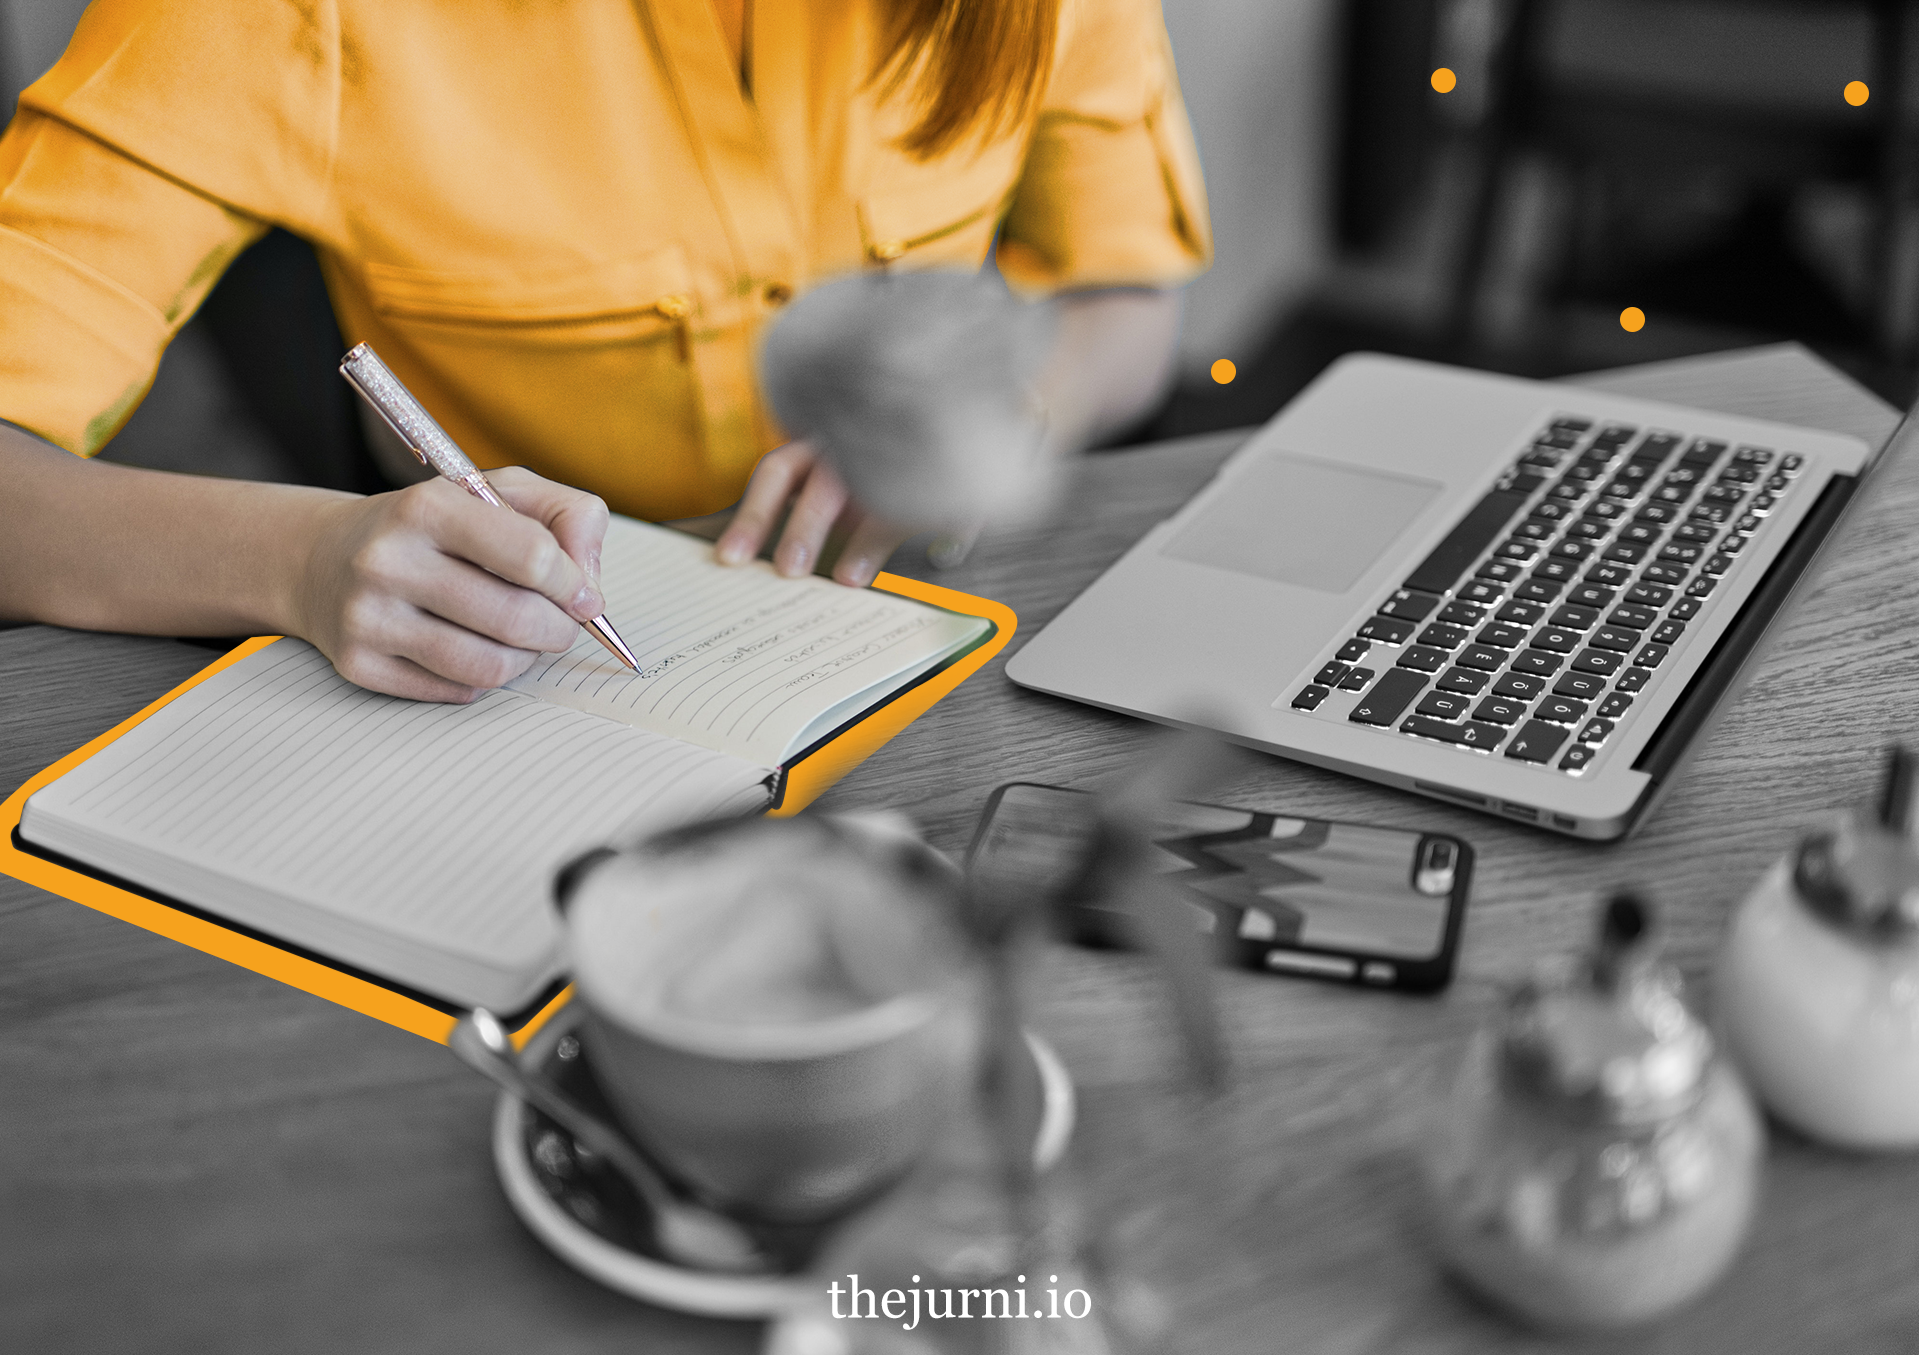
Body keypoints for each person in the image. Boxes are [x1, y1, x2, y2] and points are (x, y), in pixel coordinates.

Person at [0, 0, 1210, 702]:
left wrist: (1008, 415)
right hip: (509, 669)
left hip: (932, 622)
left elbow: (1129, 298)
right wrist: (302, 559)